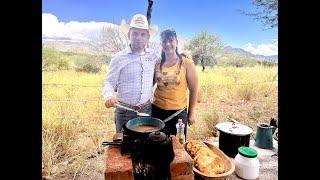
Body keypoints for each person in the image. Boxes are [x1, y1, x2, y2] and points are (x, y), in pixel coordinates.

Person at [103, 14, 159, 133]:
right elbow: (109, 81)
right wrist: (108, 95)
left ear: (148, 37)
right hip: (124, 111)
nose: (139, 37)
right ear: (129, 35)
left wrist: (183, 56)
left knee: (144, 144)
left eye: (143, 34)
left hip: (146, 109)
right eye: (135, 33)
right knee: (124, 146)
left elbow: (166, 61)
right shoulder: (118, 58)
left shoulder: (153, 56)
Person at [151, 29, 199, 138]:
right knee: (156, 144)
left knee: (178, 147)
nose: (167, 44)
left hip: (178, 114)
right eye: (164, 41)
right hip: (156, 111)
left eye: (170, 40)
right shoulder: (157, 63)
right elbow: (149, 84)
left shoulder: (187, 63)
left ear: (176, 42)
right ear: (161, 44)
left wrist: (192, 113)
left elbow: (194, 89)